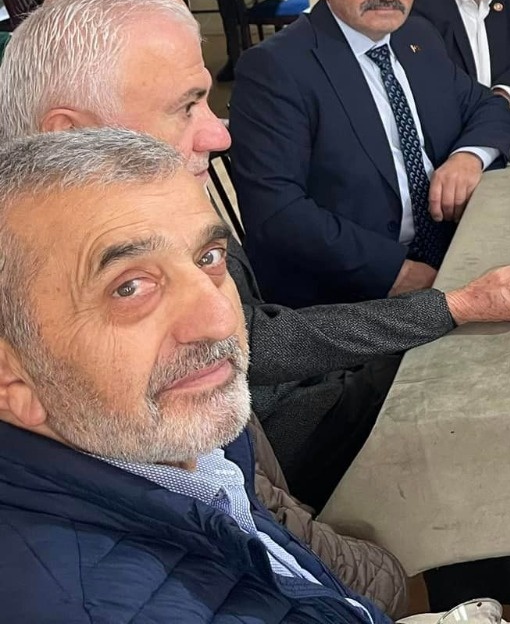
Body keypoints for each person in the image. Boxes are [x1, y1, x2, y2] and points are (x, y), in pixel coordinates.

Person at [0, 0, 510, 511]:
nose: (220, 135)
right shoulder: (51, 277)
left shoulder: (146, 208)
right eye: (187, 105)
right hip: (289, 430)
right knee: (472, 390)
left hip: (293, 404)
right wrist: (446, 307)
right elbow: (253, 361)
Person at [0, 128, 399, 622]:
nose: (220, 319)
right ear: (11, 378)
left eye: (208, 258)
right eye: (129, 287)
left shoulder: (177, 441)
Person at [229, 0, 510, 307]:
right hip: (347, 292)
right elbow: (277, 213)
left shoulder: (416, 36)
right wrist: (394, 272)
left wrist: (467, 158)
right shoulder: (275, 68)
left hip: (451, 251)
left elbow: (488, 106)